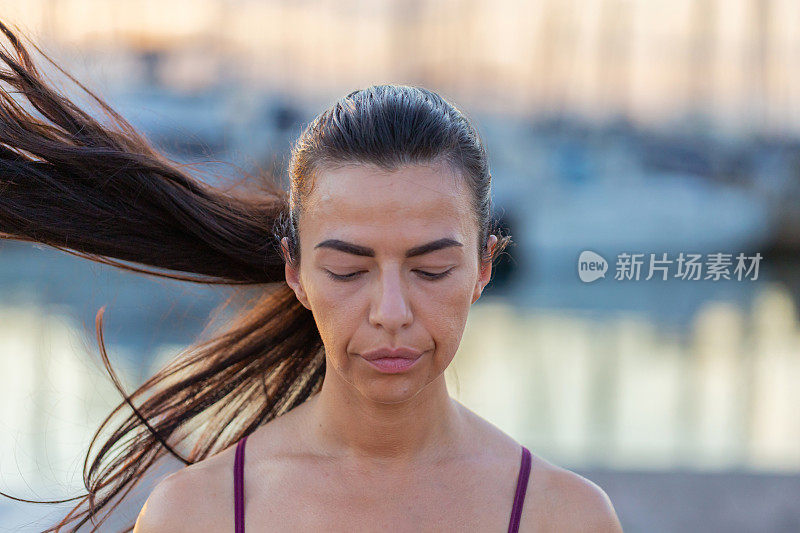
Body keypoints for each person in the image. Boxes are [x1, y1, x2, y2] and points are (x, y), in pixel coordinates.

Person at [0, 21, 623, 532]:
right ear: (295, 271)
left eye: (431, 269)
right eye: (348, 270)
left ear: (484, 266)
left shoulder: (564, 516)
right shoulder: (197, 515)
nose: (390, 310)